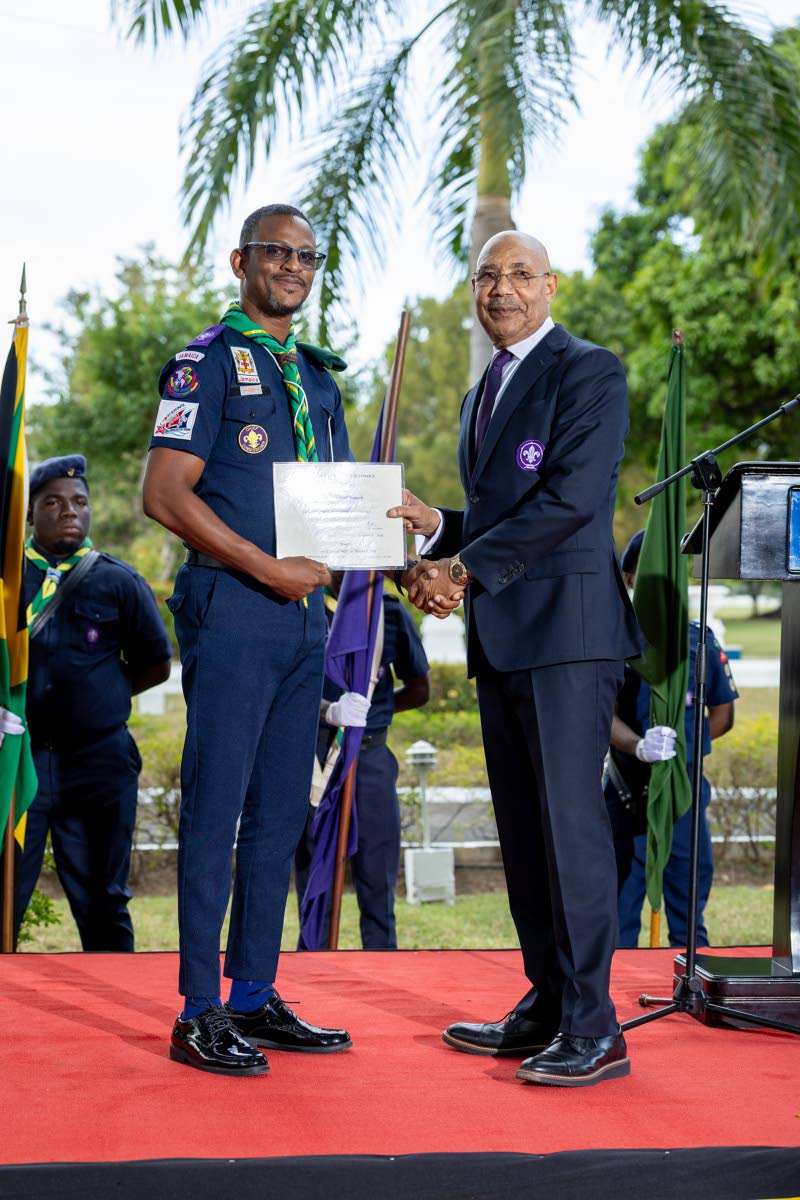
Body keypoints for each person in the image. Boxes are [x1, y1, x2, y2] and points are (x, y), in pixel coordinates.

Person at [390, 231, 646, 1088]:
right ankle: (547, 1002)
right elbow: (505, 515)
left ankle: (596, 1028)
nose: (503, 289)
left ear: (552, 286)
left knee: (570, 832)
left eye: (521, 274)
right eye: (488, 276)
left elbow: (573, 498)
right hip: (504, 640)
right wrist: (436, 527)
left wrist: (460, 569)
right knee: (527, 835)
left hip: (568, 639)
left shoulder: (589, 371)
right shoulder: (480, 393)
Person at [143, 203, 354, 1077]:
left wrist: (408, 562)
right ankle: (198, 1009)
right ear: (242, 260)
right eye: (278, 252)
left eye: (308, 256)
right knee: (217, 809)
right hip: (234, 609)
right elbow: (164, 493)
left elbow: (341, 503)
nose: (294, 267)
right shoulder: (207, 362)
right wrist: (266, 567)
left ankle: (254, 995)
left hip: (306, 622)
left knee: (278, 818)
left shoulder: (315, 376)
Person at [14, 454, 172, 951]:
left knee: (104, 896)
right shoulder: (7, 581)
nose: (69, 511)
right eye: (54, 502)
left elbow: (155, 662)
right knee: (5, 891)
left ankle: (114, 1015)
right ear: (29, 513)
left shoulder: (118, 581)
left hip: (97, 762)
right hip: (20, 759)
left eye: (80, 502)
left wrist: (101, 698)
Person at [605, 529, 738, 948]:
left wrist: (685, 750)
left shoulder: (699, 640)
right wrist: (637, 746)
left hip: (682, 795)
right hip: (627, 796)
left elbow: (722, 713)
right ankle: (614, 1008)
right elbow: (601, 716)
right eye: (648, 574)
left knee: (688, 918)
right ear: (628, 578)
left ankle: (689, 998)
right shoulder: (613, 641)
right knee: (618, 918)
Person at [295, 578, 430, 949]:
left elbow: (420, 688)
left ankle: (380, 968)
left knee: (377, 880)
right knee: (314, 877)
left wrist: (373, 715)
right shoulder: (301, 604)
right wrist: (330, 713)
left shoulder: (388, 611)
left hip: (370, 757)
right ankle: (314, 974)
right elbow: (283, 687)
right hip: (315, 759)